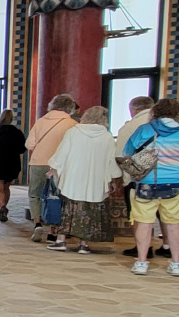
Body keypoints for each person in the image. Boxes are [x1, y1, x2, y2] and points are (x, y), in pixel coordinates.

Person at [46, 106, 122, 254]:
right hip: (95, 179)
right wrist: (114, 178)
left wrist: (54, 167)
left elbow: (62, 152)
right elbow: (110, 160)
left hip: (73, 177)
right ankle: (83, 244)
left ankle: (61, 241)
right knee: (89, 210)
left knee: (68, 209)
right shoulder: (106, 136)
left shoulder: (73, 132)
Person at [121, 97, 179, 277]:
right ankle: (176, 263)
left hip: (147, 182)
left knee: (144, 223)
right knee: (173, 224)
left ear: (156, 111)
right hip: (175, 183)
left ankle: (141, 262)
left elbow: (127, 152)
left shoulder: (145, 129)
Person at [116, 96, 167, 259]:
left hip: (139, 178)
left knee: (139, 215)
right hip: (168, 176)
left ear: (134, 110)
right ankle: (168, 246)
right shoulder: (168, 125)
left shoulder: (130, 127)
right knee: (166, 214)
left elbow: (121, 154)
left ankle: (144, 247)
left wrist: (121, 176)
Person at [26, 94, 79, 242]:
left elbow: (29, 144)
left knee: (35, 194)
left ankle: (37, 223)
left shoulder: (40, 121)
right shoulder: (72, 124)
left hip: (38, 162)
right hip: (60, 165)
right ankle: (53, 231)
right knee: (57, 196)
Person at [0, 109, 26, 222]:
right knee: (6, 187)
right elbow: (22, 149)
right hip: (13, 162)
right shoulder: (17, 133)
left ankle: (2, 207)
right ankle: (3, 207)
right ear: (12, 119)